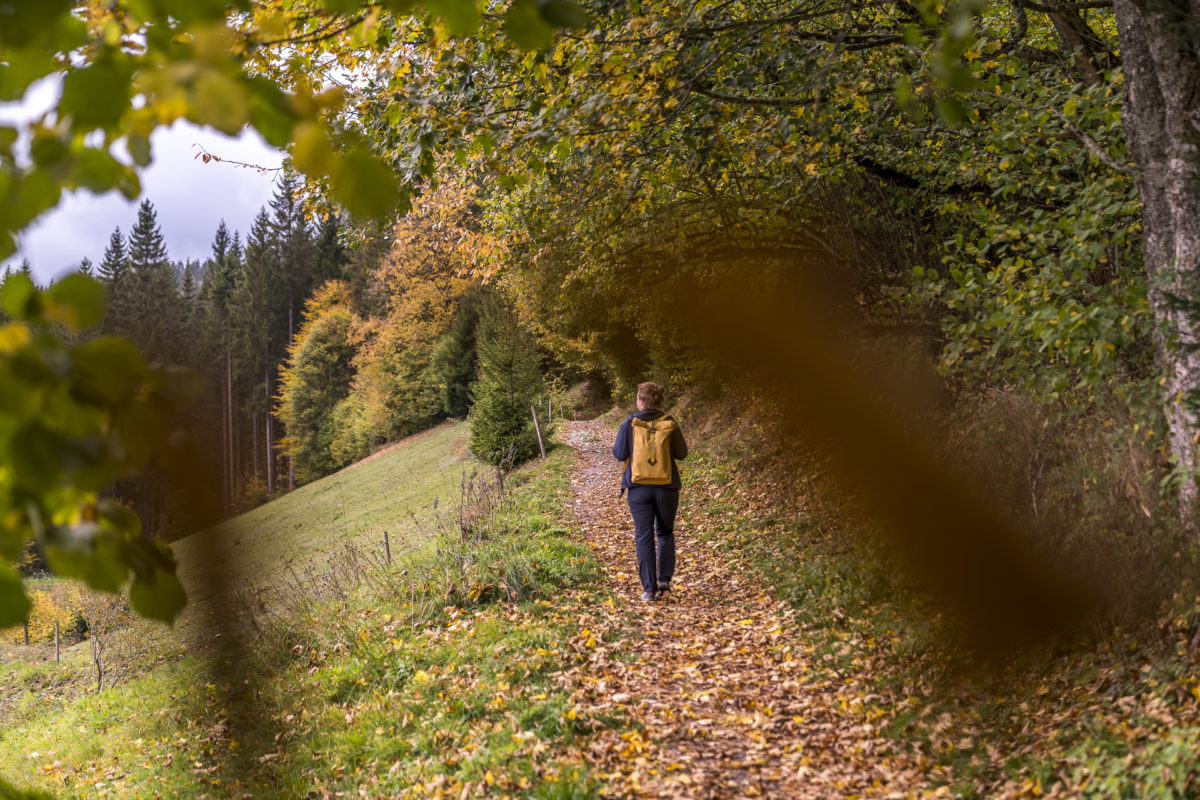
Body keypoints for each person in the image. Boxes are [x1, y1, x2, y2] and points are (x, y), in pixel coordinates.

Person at [612, 381, 688, 602]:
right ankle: (664, 581)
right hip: (667, 487)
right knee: (664, 532)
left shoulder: (630, 423)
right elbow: (681, 453)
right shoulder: (670, 422)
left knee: (644, 536)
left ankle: (648, 590)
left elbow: (618, 454)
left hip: (639, 489)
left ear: (641, 400)